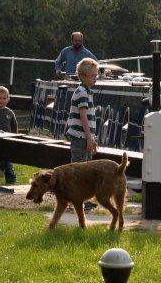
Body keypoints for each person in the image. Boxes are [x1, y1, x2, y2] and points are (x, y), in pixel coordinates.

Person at [65, 57, 99, 210]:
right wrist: (88, 138)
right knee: (79, 170)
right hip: (80, 137)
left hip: (85, 137)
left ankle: (83, 200)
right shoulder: (82, 93)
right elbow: (83, 116)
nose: (95, 78)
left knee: (86, 169)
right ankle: (76, 200)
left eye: (96, 75)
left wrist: (92, 138)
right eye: (93, 76)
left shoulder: (87, 91)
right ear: (83, 76)